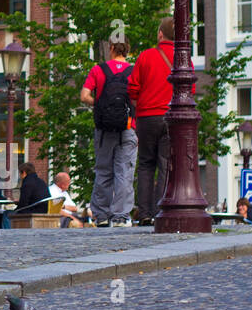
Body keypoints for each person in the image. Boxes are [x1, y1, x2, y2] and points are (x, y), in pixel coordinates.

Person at [129, 17, 193, 227]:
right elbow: (190, 89)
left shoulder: (145, 56)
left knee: (146, 164)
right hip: (171, 118)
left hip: (147, 117)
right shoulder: (183, 59)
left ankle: (144, 213)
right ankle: (160, 210)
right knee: (166, 164)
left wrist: (139, 107)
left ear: (160, 34)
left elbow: (132, 88)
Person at [81, 38, 137, 227]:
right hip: (127, 128)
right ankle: (121, 216)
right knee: (124, 172)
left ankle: (102, 216)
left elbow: (84, 96)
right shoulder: (133, 71)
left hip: (104, 129)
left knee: (103, 171)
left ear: (111, 48)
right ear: (128, 50)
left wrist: (100, 104)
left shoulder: (98, 69)